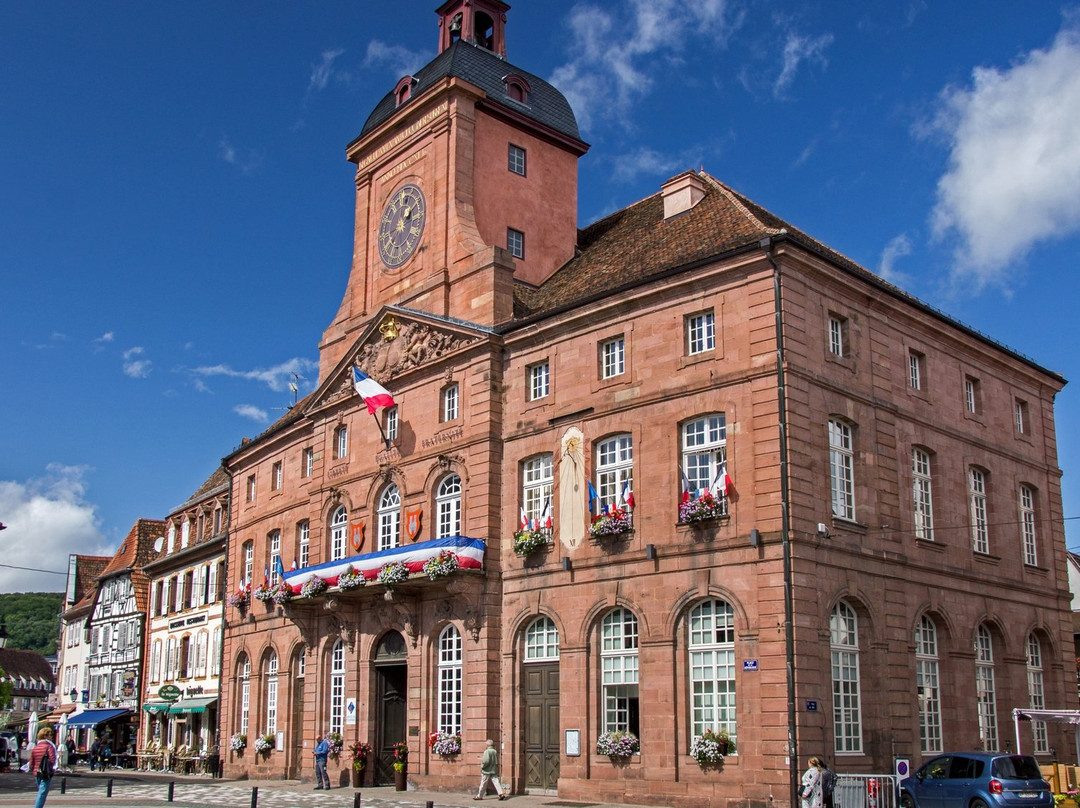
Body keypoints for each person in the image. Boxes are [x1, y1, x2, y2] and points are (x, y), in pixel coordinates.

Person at [28, 726, 57, 808]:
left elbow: (31, 762)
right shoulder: (49, 746)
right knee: (42, 792)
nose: (51, 737)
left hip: (36, 772)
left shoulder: (36, 747)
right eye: (50, 735)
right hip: (45, 772)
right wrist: (51, 768)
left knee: (41, 791)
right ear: (45, 736)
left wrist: (33, 769)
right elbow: (52, 759)